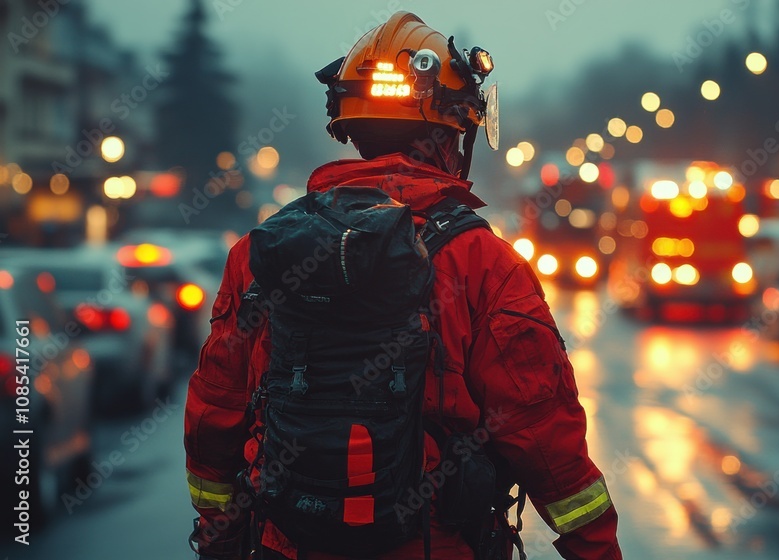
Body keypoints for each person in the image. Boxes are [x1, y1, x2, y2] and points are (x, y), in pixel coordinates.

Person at [184, 11, 622, 560]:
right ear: (452, 138)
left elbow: (213, 412)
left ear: (352, 130)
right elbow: (544, 438)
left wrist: (219, 530)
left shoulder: (260, 254)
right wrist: (597, 549)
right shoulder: (484, 263)